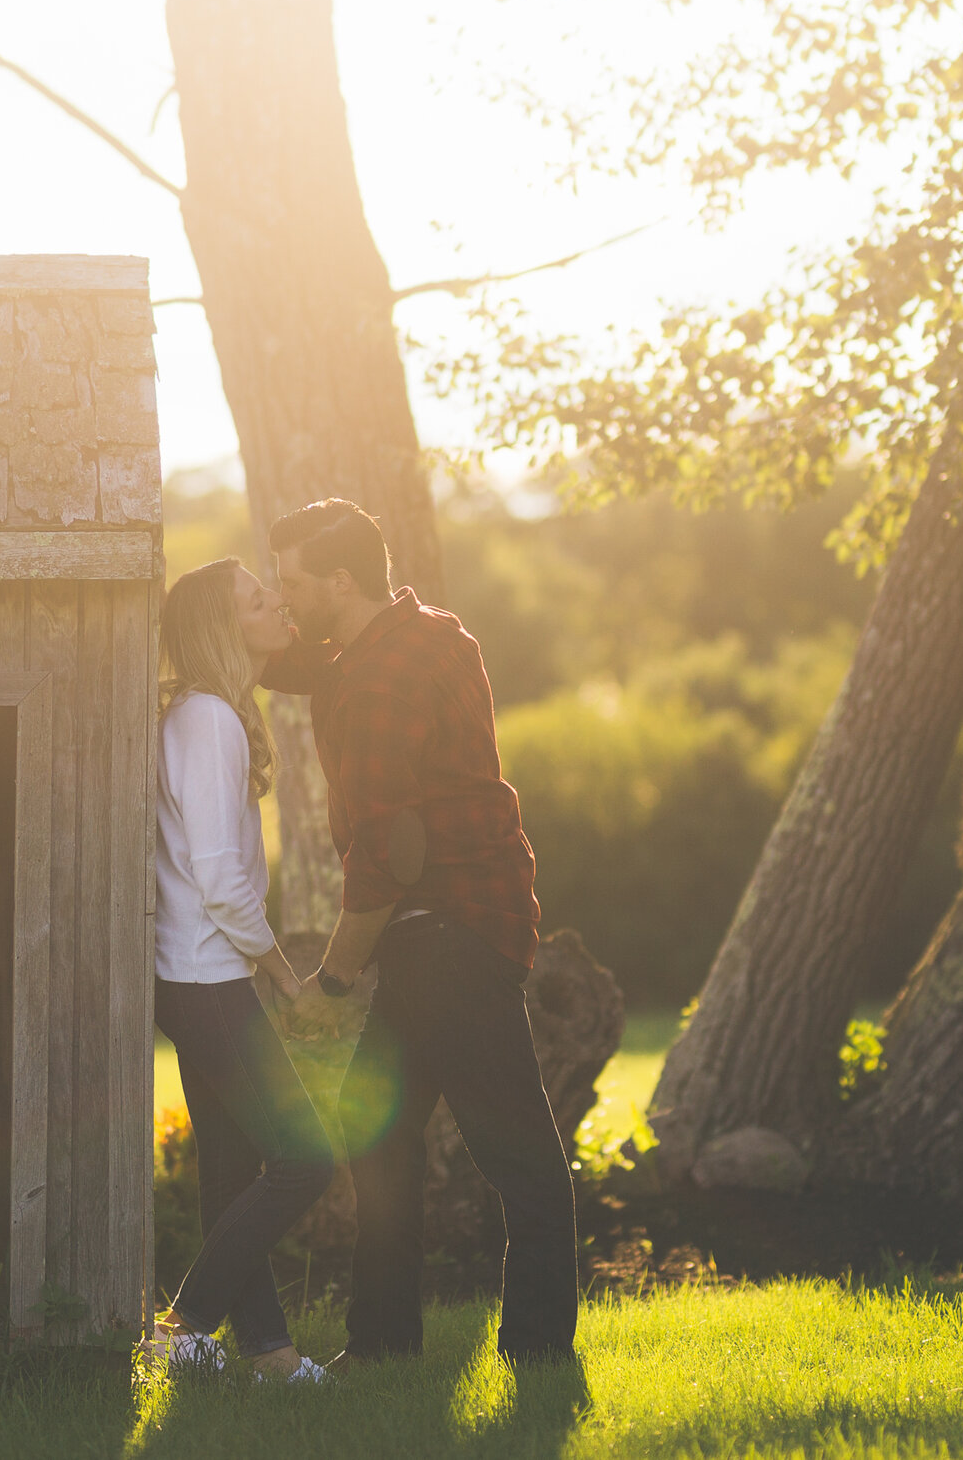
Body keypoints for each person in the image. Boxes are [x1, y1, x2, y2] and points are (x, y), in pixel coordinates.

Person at [266, 499, 577, 1368]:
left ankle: (541, 1354)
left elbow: (385, 857)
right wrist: (225, 637)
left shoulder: (376, 683)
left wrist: (330, 980)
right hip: (457, 931)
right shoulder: (428, 632)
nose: (284, 599)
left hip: (447, 936)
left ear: (341, 581)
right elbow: (305, 661)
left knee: (517, 1157)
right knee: (382, 1140)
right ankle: (382, 1346)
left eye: (292, 583)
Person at [144, 556, 338, 1382]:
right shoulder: (210, 721)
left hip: (195, 979)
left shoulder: (201, 715)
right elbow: (221, 878)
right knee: (307, 1157)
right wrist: (284, 969)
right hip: (208, 981)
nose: (279, 604)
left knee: (230, 1171)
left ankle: (270, 1357)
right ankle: (181, 1326)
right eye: (261, 600)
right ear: (227, 628)